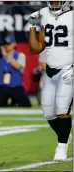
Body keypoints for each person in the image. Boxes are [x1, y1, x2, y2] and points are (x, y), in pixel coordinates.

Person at [28, 1, 73, 161]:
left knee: (62, 109)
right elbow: (36, 48)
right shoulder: (45, 14)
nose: (54, 3)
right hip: (50, 70)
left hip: (68, 69)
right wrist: (32, 26)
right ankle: (65, 134)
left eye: (57, 0)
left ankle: (61, 147)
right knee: (48, 111)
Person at [0, 35, 31, 107]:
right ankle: (10, 102)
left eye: (8, 44)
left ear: (14, 44)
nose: (6, 46)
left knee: (26, 104)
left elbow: (18, 67)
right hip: (1, 85)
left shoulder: (20, 55)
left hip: (15, 86)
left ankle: (14, 101)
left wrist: (6, 56)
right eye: (5, 44)